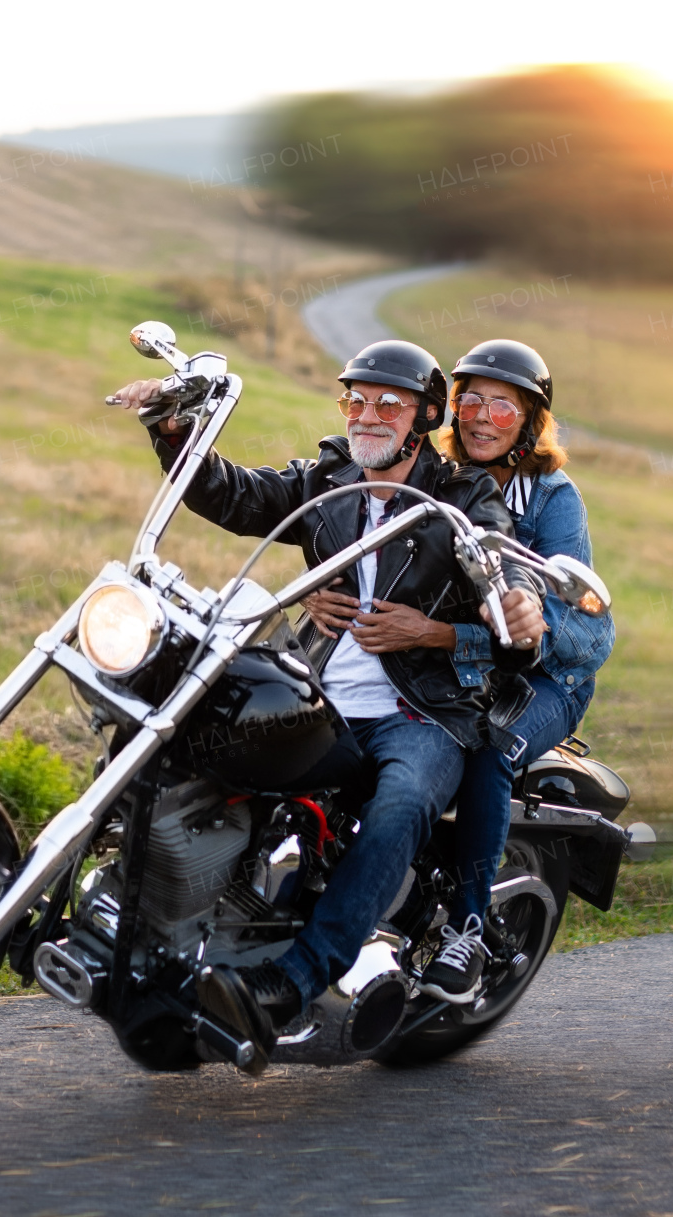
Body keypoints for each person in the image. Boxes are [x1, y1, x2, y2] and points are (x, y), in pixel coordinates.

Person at [110, 338, 546, 1070]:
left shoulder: (464, 497)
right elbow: (239, 496)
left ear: (424, 417)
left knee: (402, 800)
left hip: (422, 712)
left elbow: (498, 566)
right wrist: (173, 431)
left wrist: (505, 605)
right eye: (355, 399)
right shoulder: (331, 477)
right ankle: (163, 918)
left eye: (387, 404)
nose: (366, 414)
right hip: (320, 691)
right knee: (199, 733)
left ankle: (295, 979)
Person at [417, 337, 616, 1006]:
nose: (478, 416)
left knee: (489, 750)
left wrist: (535, 619)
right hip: (456, 659)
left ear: (530, 421)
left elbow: (591, 633)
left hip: (545, 681)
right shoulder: (437, 478)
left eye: (501, 406)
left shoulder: (553, 500)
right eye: (469, 398)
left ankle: (468, 930)